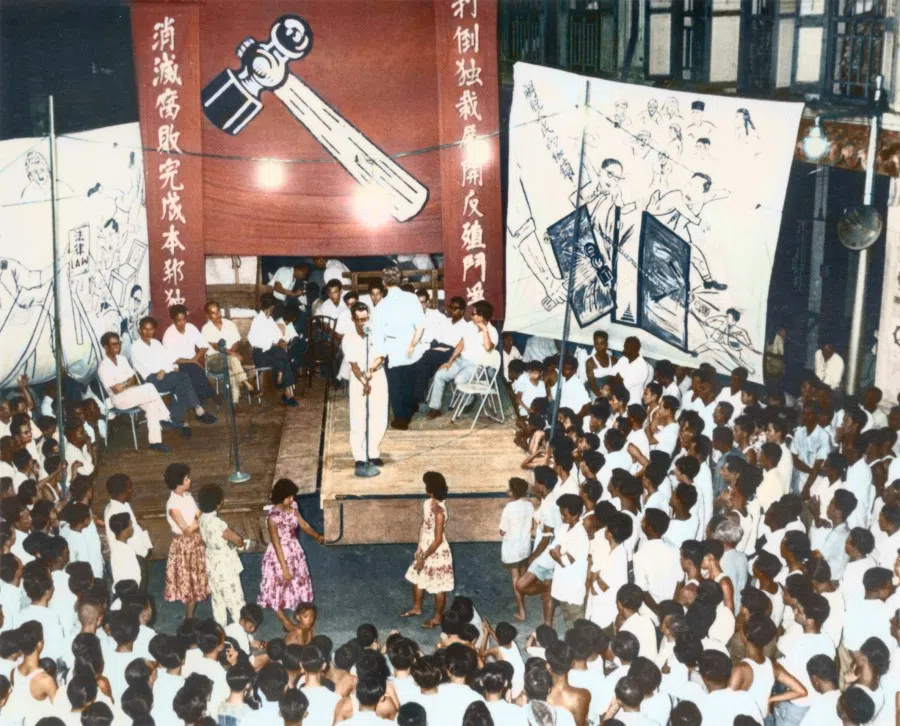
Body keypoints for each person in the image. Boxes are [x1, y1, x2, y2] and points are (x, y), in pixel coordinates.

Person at [130, 316, 217, 436]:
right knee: (183, 378)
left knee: (181, 385)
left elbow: (166, 359)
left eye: (151, 329)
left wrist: (166, 369)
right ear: (140, 330)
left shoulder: (156, 343)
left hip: (163, 375)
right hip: (151, 380)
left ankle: (174, 419)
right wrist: (164, 370)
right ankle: (197, 409)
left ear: (154, 330)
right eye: (145, 329)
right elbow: (148, 366)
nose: (148, 332)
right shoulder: (136, 347)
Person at [258, 478, 324, 632]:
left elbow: (304, 525)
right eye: (289, 497)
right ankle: (285, 621)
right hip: (279, 556)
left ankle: (299, 614)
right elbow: (276, 544)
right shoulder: (272, 517)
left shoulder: (293, 507)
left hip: (294, 551)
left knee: (297, 583)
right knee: (277, 586)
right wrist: (284, 568)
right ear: (281, 497)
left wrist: (317, 536)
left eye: (293, 496)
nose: (292, 499)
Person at [97, 332, 173, 453]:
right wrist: (127, 383)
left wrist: (124, 384)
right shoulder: (103, 367)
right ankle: (165, 417)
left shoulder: (122, 359)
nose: (118, 346)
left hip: (133, 393)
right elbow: (116, 390)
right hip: (119, 400)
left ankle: (155, 442)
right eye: (113, 344)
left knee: (152, 404)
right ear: (106, 347)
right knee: (149, 387)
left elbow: (134, 379)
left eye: (119, 343)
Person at [372, 267, 425, 430]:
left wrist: (379, 355)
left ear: (383, 283)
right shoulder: (411, 298)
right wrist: (412, 345)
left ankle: (401, 419)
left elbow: (378, 334)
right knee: (408, 381)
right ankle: (407, 413)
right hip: (410, 346)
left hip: (392, 347)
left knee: (395, 385)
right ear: (401, 280)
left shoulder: (381, 305)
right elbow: (421, 326)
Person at [425, 300, 498, 420]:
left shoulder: (492, 331)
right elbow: (461, 343)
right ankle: (435, 408)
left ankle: (469, 399)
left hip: (476, 366)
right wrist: (450, 360)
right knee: (439, 375)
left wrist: (485, 330)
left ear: (481, 316)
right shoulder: (470, 326)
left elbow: (488, 348)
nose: (471, 315)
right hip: (460, 360)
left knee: (459, 379)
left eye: (473, 314)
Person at [401, 472, 454, 627]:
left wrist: (423, 557)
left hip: (436, 552)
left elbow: (437, 540)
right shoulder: (427, 503)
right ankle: (417, 607)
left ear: (431, 490)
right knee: (417, 577)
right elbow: (423, 526)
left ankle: (437, 617)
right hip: (425, 547)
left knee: (438, 586)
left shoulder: (440, 512)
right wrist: (419, 549)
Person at [342, 303, 388, 476]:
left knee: (379, 415)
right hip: (358, 379)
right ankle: (360, 457)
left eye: (365, 319)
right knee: (359, 417)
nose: (363, 323)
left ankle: (373, 452)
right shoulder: (348, 338)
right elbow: (354, 367)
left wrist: (371, 371)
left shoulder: (376, 333)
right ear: (353, 319)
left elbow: (381, 357)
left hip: (377, 376)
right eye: (359, 320)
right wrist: (364, 382)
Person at [197, 484, 247, 629]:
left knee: (218, 601)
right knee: (235, 601)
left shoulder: (201, 520)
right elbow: (237, 539)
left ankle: (221, 632)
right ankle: (243, 634)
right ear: (218, 504)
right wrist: (240, 544)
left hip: (212, 565)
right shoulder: (218, 523)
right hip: (226, 567)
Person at [163, 463, 209, 619]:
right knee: (189, 581)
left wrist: (200, 515)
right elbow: (187, 530)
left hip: (195, 541)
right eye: (187, 478)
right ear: (179, 483)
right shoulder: (173, 505)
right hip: (184, 545)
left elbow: (197, 514)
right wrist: (199, 519)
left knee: (196, 578)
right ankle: (189, 617)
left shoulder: (187, 496)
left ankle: (191, 612)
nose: (190, 480)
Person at [201, 300, 257, 404]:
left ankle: (235, 404)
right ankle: (247, 384)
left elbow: (236, 342)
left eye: (218, 311)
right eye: (213, 313)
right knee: (234, 360)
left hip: (230, 359)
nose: (217, 315)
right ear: (208, 315)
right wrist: (233, 354)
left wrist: (232, 353)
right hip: (214, 360)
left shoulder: (230, 324)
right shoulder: (206, 329)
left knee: (231, 372)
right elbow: (218, 347)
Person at [248, 293, 299, 406]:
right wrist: (275, 344)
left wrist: (281, 341)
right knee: (281, 354)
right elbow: (255, 341)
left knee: (281, 352)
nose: (273, 310)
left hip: (272, 353)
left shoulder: (270, 319)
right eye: (273, 308)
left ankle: (284, 384)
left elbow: (277, 335)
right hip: (261, 354)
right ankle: (287, 394)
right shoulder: (257, 320)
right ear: (270, 307)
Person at [161, 305, 217, 403]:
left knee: (194, 369)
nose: (182, 323)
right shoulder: (169, 334)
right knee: (193, 369)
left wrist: (195, 359)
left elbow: (204, 346)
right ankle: (209, 395)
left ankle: (201, 399)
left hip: (193, 363)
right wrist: (193, 362)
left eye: (184, 319)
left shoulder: (191, 328)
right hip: (177, 365)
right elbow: (174, 359)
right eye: (179, 320)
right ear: (173, 320)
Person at [500, 477, 535, 622]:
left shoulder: (509, 508)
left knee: (515, 579)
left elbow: (502, 530)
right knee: (522, 574)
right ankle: (522, 599)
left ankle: (521, 610)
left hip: (512, 548)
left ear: (512, 492)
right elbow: (532, 525)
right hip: (525, 546)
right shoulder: (529, 505)